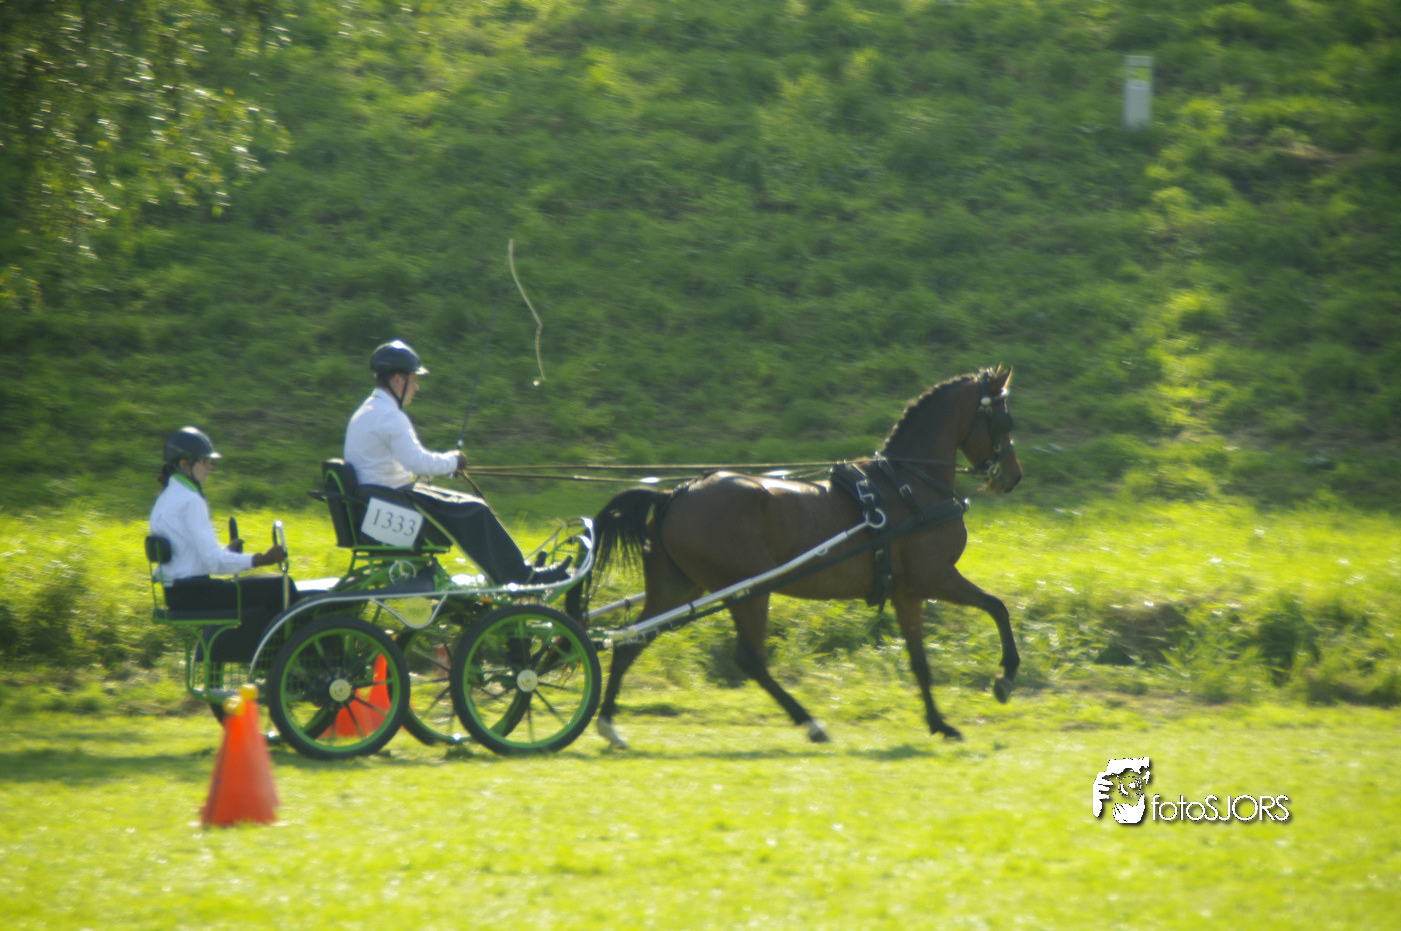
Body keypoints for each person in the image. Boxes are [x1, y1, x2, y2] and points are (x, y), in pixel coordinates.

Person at [343, 340, 567, 585]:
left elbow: (394, 466)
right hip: (390, 509)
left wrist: (444, 467)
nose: (416, 387)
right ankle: (522, 578)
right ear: (398, 380)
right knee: (476, 510)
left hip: (378, 507)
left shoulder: (366, 411)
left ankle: (516, 572)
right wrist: (455, 460)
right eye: (414, 380)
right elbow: (418, 462)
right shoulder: (389, 416)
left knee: (469, 506)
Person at [150, 426, 295, 660]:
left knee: (269, 587)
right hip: (197, 595)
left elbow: (189, 555)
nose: (210, 467)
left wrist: (227, 552)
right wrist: (262, 559)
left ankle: (276, 660)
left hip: (176, 594)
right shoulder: (191, 501)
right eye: (204, 461)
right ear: (185, 465)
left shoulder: (164, 499)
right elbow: (214, 563)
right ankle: (289, 662)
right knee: (281, 586)